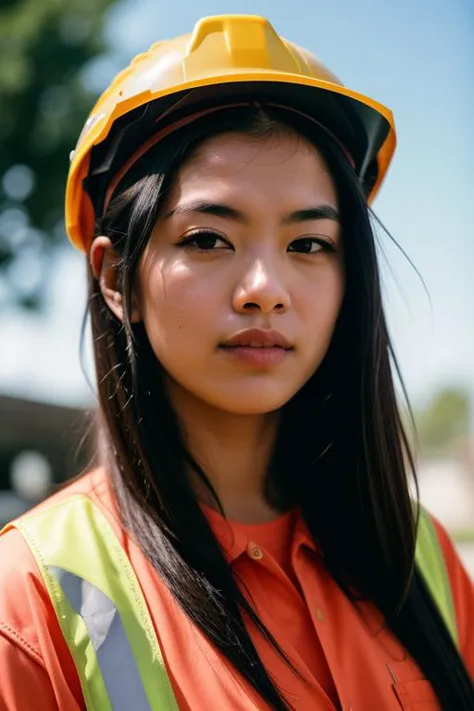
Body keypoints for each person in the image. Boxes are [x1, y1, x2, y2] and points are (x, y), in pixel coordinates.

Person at [0, 13, 473, 711]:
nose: (265, 290)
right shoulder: (32, 602)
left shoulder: (421, 555)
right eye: (208, 238)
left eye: (309, 244)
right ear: (114, 277)